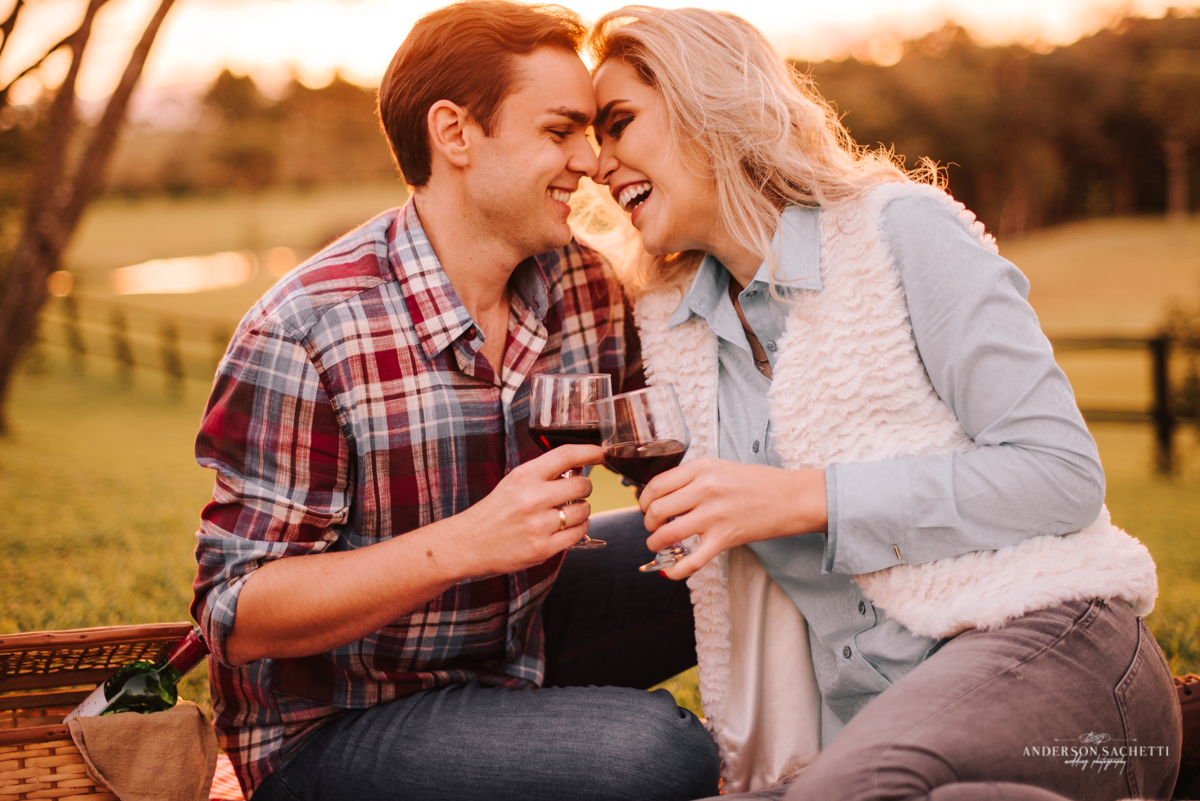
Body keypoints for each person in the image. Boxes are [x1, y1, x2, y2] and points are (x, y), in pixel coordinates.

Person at [588, 6, 1181, 800]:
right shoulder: (670, 326)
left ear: (706, 101)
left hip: (1048, 639)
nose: (598, 163)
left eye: (618, 123)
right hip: (864, 729)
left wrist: (806, 498)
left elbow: (1062, 474)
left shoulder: (901, 229)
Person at [189, 3, 719, 800]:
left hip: (512, 641)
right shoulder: (307, 331)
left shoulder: (581, 283)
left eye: (590, 132)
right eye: (560, 131)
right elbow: (235, 614)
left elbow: (669, 452)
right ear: (455, 134)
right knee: (661, 752)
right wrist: (469, 541)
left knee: (724, 549)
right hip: (336, 721)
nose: (591, 160)